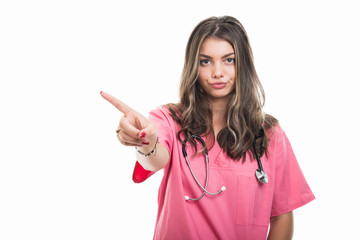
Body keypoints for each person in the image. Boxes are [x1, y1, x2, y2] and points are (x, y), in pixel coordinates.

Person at [101, 16, 315, 240]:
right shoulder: (170, 119)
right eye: (206, 61)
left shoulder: (269, 133)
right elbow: (155, 159)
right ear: (194, 65)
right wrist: (146, 141)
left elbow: (282, 214)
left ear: (243, 64)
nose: (217, 72)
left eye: (229, 60)